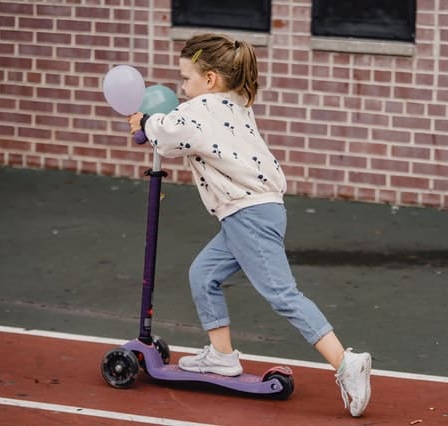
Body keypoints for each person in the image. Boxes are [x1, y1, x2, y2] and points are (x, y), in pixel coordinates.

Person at [128, 33, 371, 417]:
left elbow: (169, 135)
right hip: (257, 210)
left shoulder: (201, 109)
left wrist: (145, 120)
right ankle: (223, 356)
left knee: (282, 294)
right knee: (203, 274)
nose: (182, 88)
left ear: (209, 80)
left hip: (248, 214)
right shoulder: (234, 104)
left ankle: (346, 362)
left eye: (186, 79)